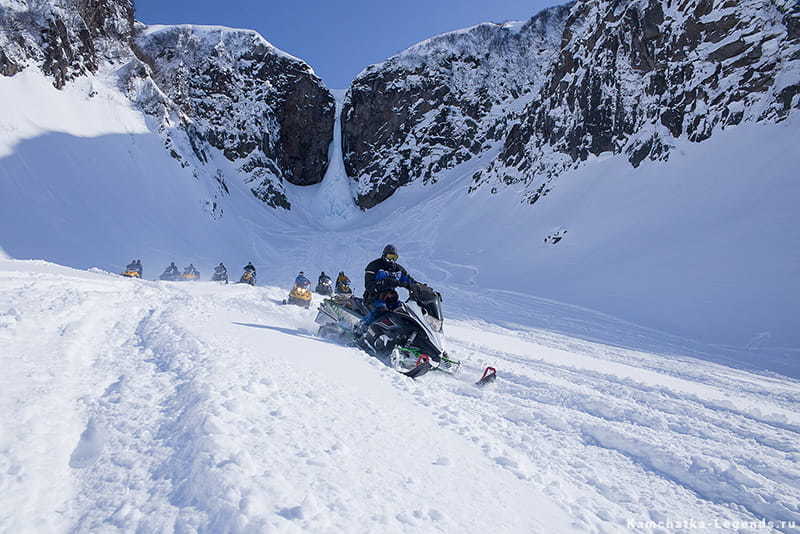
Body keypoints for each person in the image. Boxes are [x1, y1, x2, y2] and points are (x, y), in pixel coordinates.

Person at [356, 244, 417, 334]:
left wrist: (419, 287)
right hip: (374, 297)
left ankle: (400, 334)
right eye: (390, 256)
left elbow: (409, 280)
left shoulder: (398, 269)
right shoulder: (375, 266)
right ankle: (361, 327)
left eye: (394, 257)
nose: (391, 260)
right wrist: (385, 282)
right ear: (384, 255)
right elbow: (369, 285)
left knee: (403, 310)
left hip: (390, 299)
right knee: (381, 309)